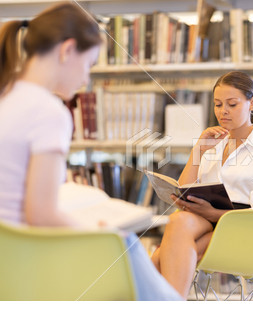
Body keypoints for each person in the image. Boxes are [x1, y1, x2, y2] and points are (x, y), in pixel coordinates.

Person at [0, 3, 181, 301]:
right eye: (88, 64)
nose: (85, 78)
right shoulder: (48, 111)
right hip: (28, 259)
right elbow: (41, 213)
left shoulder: (7, 96)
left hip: (10, 257)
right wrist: (94, 231)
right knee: (123, 244)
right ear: (67, 50)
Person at [151, 71, 253, 299]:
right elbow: (185, 186)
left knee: (161, 256)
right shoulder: (214, 142)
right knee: (177, 219)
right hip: (206, 220)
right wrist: (198, 150)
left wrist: (215, 214)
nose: (223, 111)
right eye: (218, 104)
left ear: (252, 102)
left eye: (232, 104)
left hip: (243, 228)